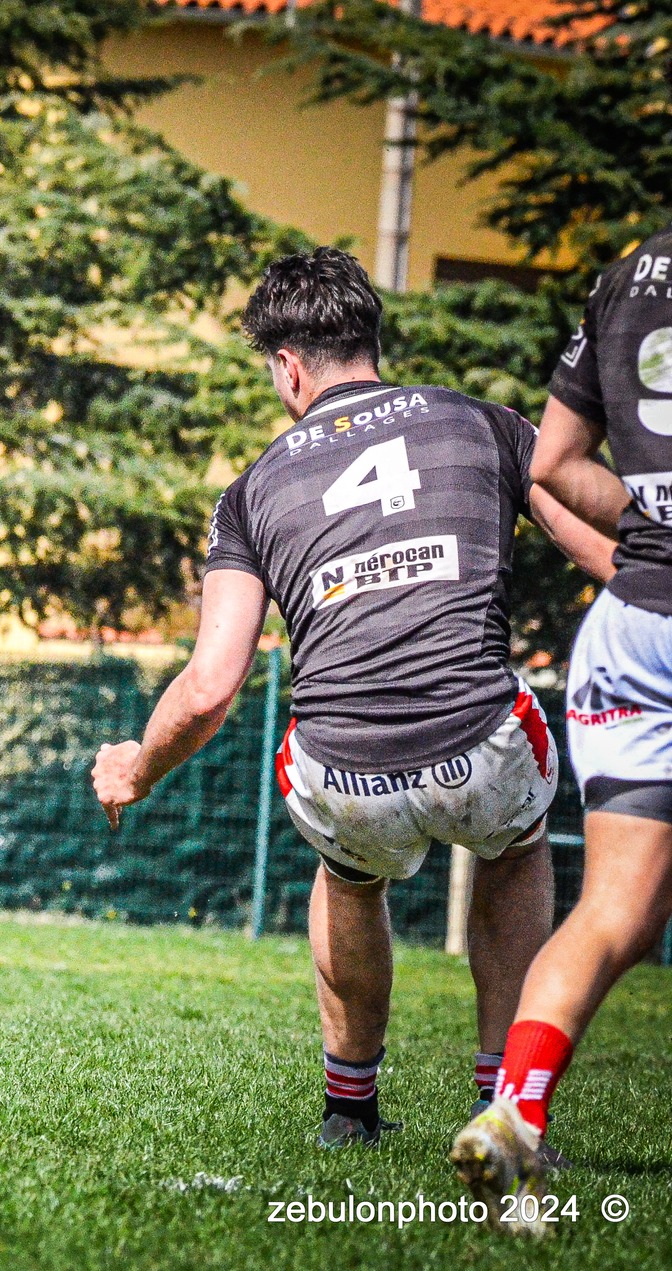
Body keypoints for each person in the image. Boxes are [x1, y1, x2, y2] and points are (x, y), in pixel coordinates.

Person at [88, 248, 614, 1148]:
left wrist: (137, 766)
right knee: (514, 846)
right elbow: (599, 551)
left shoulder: (250, 491)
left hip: (341, 771)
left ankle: (349, 1109)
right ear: (370, 339)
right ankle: (505, 1106)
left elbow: (211, 686)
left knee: (349, 873)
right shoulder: (482, 423)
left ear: (289, 368)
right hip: (484, 737)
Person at [452, 224, 672, 1223]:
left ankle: (511, 1117)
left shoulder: (629, 271)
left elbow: (550, 460)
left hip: (631, 624)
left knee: (613, 909)